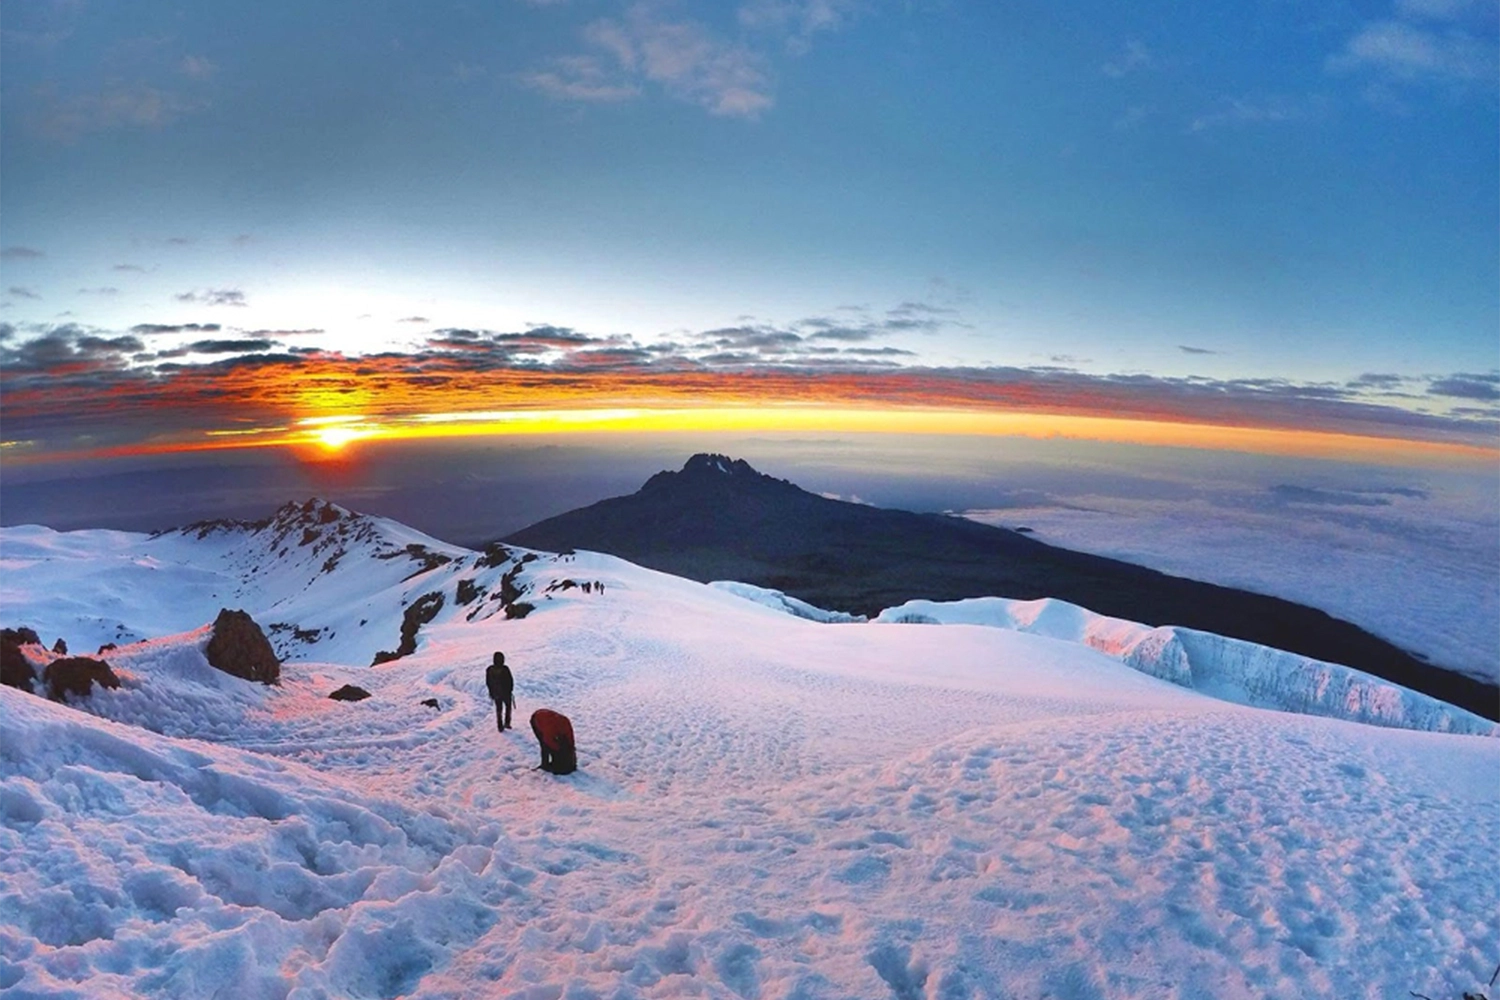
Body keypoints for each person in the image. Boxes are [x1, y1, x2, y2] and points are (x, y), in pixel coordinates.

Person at [530, 708, 577, 774]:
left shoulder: (566, 723)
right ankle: (544, 765)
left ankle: (558, 762)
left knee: (562, 745)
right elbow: (547, 741)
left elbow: (570, 740)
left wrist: (570, 749)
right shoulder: (550, 729)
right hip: (537, 720)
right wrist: (557, 751)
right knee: (544, 745)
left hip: (548, 717)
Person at [485, 652, 514, 731]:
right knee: (508, 707)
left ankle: (500, 725)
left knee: (498, 709)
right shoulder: (505, 669)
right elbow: (510, 681)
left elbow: (488, 682)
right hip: (506, 693)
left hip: (496, 693)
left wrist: (491, 692)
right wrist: (510, 690)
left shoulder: (489, 669)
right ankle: (507, 723)